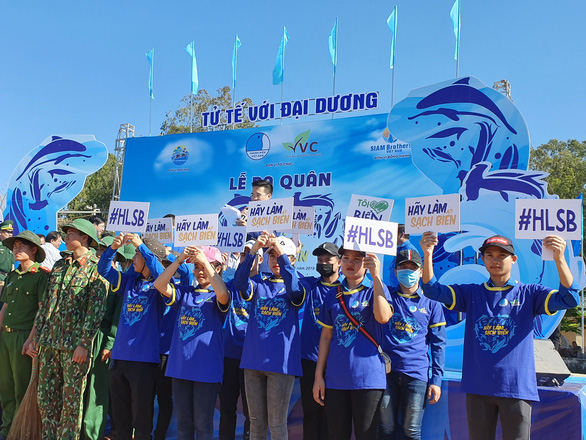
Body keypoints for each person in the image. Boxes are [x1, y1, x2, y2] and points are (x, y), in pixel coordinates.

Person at [420, 232, 579, 440]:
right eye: (489, 254)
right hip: (478, 386)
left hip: (516, 387)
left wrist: (559, 258)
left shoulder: (529, 293)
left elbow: (570, 299)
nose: (495, 260)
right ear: (482, 259)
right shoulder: (472, 293)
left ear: (513, 260)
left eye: (502, 255)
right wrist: (428, 253)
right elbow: (433, 291)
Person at [33, 218, 108, 440]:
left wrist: (84, 344)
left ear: (85, 237)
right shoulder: (60, 265)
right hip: (49, 342)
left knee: (71, 402)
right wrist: (38, 335)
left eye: (71, 233)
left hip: (74, 347)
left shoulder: (96, 268)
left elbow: (94, 311)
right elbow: (47, 303)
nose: (65, 237)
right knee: (46, 398)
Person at [313, 247, 393, 440]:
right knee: (336, 434)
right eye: (346, 258)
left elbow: (383, 317)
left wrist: (376, 277)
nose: (350, 263)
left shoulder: (376, 290)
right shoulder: (333, 295)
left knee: (366, 435)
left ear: (365, 264)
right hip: (336, 379)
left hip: (368, 380)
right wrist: (318, 377)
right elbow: (326, 337)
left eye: (357, 259)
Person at [233, 232, 304, 440]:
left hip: (281, 366)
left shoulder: (300, 284)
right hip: (253, 362)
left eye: (281, 256)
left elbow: (295, 292)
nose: (276, 260)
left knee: (277, 426)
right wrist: (255, 250)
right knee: (256, 426)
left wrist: (282, 257)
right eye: (272, 256)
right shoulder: (259, 284)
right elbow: (239, 283)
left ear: (292, 259)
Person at [154, 245, 229, 440]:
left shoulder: (219, 293)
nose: (199, 271)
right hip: (180, 369)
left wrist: (205, 261)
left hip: (206, 372)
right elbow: (160, 285)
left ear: (217, 268)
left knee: (203, 425)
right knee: (184, 425)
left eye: (203, 266)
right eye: (196, 267)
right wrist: (179, 261)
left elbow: (223, 295)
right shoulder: (186, 292)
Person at [97, 233, 167, 440]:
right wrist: (112, 249)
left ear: (148, 258)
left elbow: (160, 272)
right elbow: (103, 269)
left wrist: (142, 247)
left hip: (144, 362)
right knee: (121, 418)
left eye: (137, 254)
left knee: (142, 418)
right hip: (119, 359)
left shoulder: (161, 285)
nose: (134, 259)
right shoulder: (129, 281)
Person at [378, 249, 446, 440]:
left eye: (412, 267)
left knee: (411, 431)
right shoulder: (385, 296)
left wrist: (436, 381)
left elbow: (439, 344)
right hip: (386, 374)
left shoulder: (432, 303)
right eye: (402, 267)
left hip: (417, 375)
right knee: (385, 428)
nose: (407, 271)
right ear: (395, 271)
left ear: (421, 271)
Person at [81, 236, 134, 440]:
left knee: (97, 389)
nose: (100, 253)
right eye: (100, 249)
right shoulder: (92, 278)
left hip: (103, 339)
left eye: (105, 250)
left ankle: (91, 433)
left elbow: (117, 318)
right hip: (87, 337)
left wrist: (110, 343)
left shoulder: (118, 281)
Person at [0, 230, 49, 440]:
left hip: (24, 337)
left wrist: (33, 339)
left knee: (22, 388)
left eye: (21, 246)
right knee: (6, 387)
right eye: (15, 246)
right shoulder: (12, 276)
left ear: (34, 250)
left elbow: (41, 311)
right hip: (6, 336)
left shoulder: (40, 276)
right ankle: (6, 429)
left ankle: (20, 432)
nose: (16, 249)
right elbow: (4, 308)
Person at [219, 241, 263, 440]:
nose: (246, 258)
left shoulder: (266, 285)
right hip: (229, 355)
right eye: (244, 255)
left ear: (260, 259)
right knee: (226, 411)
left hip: (252, 359)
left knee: (251, 414)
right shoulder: (231, 284)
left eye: (251, 255)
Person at [298, 242, 341, 440]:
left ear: (339, 262)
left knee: (332, 417)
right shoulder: (309, 285)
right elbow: (289, 276)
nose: (323, 263)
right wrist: (293, 253)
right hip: (309, 361)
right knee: (311, 414)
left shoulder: (344, 290)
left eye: (328, 260)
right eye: (320, 260)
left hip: (336, 363)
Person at [382, 224, 417, 289]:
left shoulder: (408, 250)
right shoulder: (400, 249)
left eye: (394, 234)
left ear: (402, 235)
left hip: (401, 290)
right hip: (395, 288)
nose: (391, 237)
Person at [0, 220, 15, 286]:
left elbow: (12, 264)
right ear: (0, 232)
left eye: (11, 232)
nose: (10, 234)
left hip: (8, 278)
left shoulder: (11, 246)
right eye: (7, 232)